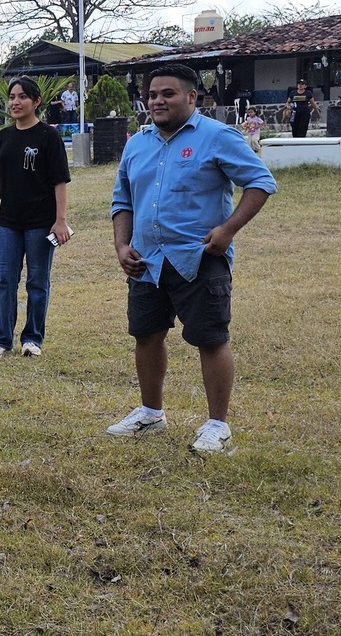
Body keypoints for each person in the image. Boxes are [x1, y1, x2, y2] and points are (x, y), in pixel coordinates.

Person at [108, 62, 277, 454]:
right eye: (152, 94)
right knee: (146, 335)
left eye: (167, 93)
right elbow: (122, 200)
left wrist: (228, 229)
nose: (157, 101)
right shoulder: (137, 143)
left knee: (211, 338)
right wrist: (121, 246)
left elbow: (260, 182)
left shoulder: (218, 137)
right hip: (146, 261)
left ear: (191, 97)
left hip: (199, 258)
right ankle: (151, 414)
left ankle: (218, 425)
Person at [0, 75, 72, 359]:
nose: (15, 102)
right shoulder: (4, 137)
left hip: (40, 223)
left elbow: (60, 181)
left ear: (36, 101)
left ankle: (32, 339)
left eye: (22, 97)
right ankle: (2, 339)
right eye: (11, 97)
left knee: (37, 281)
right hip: (9, 223)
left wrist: (60, 220)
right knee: (5, 280)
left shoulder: (49, 136)